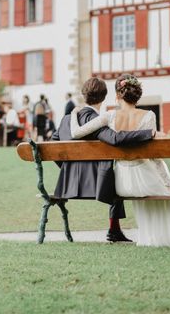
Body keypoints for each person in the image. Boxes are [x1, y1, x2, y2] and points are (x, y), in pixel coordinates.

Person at [69, 74, 170, 247]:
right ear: (137, 96)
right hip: (143, 179)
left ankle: (151, 235)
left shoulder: (109, 116)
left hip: (122, 183)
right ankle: (163, 237)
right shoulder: (149, 115)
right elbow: (155, 156)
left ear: (118, 95)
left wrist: (74, 113)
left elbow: (76, 133)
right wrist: (168, 184)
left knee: (167, 192)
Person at [52, 77, 155, 243]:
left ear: (83, 95)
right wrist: (148, 133)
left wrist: (66, 168)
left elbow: (52, 145)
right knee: (115, 176)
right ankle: (114, 229)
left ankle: (115, 230)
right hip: (96, 185)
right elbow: (115, 138)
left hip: (67, 183)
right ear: (104, 97)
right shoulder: (96, 121)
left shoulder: (66, 120)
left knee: (112, 173)